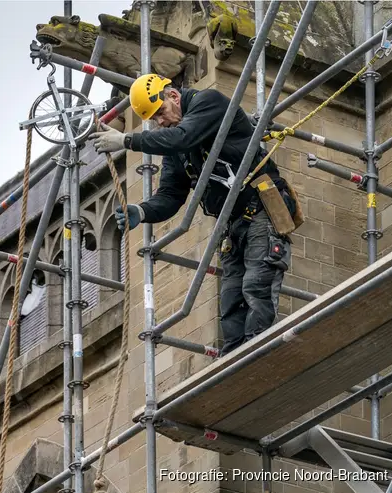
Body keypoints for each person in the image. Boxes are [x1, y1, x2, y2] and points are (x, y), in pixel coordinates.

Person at [89, 74, 298, 357]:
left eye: (160, 113)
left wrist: (127, 140)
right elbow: (171, 195)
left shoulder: (208, 103)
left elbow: (182, 137)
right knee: (230, 299)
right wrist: (142, 210)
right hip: (232, 222)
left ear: (173, 96)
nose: (160, 122)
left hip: (260, 207)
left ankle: (256, 357)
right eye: (153, 120)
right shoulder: (178, 149)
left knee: (256, 286)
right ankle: (235, 364)